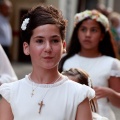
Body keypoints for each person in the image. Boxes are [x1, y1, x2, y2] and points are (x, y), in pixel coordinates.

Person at [0, 5, 95, 120]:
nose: (48, 48)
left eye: (54, 41)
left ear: (63, 46)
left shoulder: (78, 94)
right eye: (40, 41)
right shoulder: (11, 93)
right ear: (26, 47)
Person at [59, 9, 120, 120]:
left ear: (102, 35)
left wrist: (110, 93)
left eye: (94, 30)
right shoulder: (65, 60)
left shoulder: (112, 64)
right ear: (77, 33)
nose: (87, 35)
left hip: (102, 116)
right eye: (83, 29)